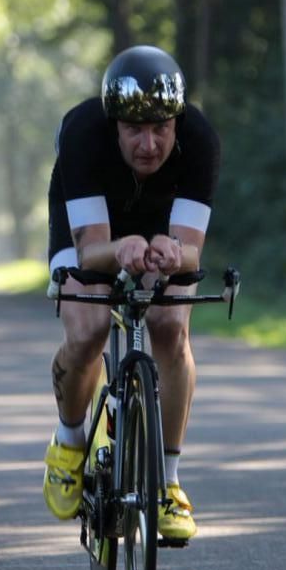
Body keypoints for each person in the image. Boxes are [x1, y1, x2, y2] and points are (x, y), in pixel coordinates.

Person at [44, 45, 220, 541]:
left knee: (170, 328)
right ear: (113, 125)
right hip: (92, 228)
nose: (148, 144)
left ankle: (167, 481)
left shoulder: (201, 141)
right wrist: (123, 248)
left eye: (160, 128)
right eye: (134, 130)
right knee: (89, 327)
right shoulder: (82, 132)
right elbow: (92, 250)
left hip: (158, 227)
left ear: (177, 122)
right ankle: (69, 441)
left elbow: (191, 251)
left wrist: (171, 251)